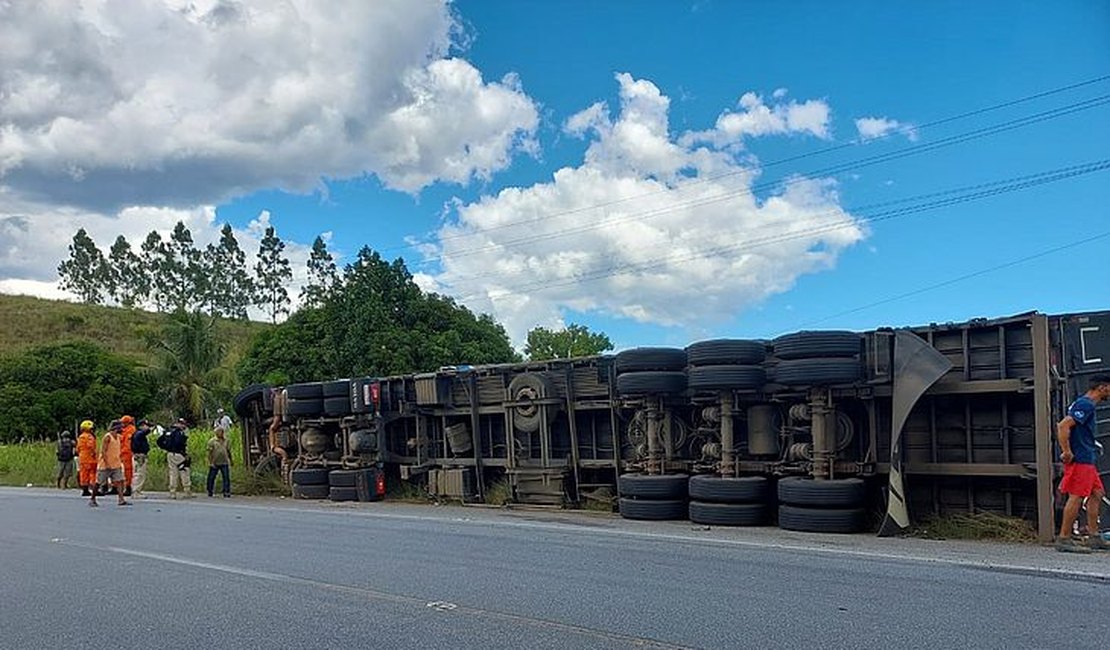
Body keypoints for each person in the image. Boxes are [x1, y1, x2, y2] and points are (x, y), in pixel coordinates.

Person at [1055, 375, 1110, 552]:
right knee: (1077, 496)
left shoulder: (1085, 405)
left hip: (1087, 458)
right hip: (1081, 459)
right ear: (1102, 388)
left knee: (1097, 493)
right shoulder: (1085, 404)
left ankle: (1094, 536)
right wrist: (1067, 451)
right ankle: (1064, 538)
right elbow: (1063, 426)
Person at [91, 421, 129, 507]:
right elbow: (103, 451)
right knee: (99, 482)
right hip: (105, 465)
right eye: (120, 427)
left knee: (119, 481)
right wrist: (107, 463)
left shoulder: (118, 437)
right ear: (116, 428)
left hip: (116, 464)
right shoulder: (108, 437)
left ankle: (121, 499)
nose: (121, 429)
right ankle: (92, 499)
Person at [159, 418, 192, 499]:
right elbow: (179, 443)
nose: (184, 426)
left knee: (173, 473)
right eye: (183, 424)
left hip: (170, 454)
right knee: (184, 471)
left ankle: (172, 492)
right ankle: (187, 490)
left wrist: (166, 448)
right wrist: (183, 453)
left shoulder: (168, 432)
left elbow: (159, 441)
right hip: (179, 454)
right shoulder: (179, 433)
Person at [206, 427, 232, 498]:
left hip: (224, 462)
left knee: (226, 477)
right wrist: (210, 462)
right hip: (215, 462)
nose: (221, 433)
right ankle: (210, 490)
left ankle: (226, 491)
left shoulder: (226, 441)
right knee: (211, 477)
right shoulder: (212, 441)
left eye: (222, 432)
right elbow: (209, 453)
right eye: (219, 432)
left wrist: (231, 460)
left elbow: (228, 451)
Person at [130, 419, 154, 498]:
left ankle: (137, 491)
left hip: (140, 455)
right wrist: (149, 430)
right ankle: (136, 492)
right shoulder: (138, 434)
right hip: (139, 455)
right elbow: (144, 433)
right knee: (139, 474)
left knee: (141, 474)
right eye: (146, 426)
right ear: (141, 426)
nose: (147, 427)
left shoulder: (139, 434)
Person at [76, 420, 98, 497]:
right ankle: (94, 489)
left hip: (82, 458)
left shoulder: (80, 437)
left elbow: (78, 448)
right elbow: (91, 446)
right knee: (93, 474)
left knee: (84, 474)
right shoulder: (89, 437)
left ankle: (85, 490)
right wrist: (94, 454)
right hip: (90, 458)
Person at [119, 415, 136, 496]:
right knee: (125, 472)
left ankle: (128, 487)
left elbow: (127, 445)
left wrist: (122, 452)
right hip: (123, 454)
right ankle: (125, 486)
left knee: (128, 471)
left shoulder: (130, 430)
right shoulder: (124, 430)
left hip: (127, 454)